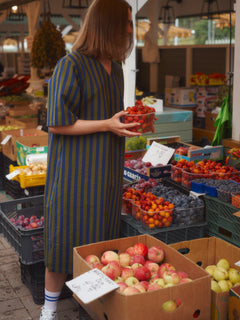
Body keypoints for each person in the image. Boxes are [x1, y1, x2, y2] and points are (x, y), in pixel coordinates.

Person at [40, 0, 140, 319]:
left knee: (101, 241)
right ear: (106, 24)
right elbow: (56, 122)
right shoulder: (71, 65)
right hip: (74, 173)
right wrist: (108, 124)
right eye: (125, 22)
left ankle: (92, 307)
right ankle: (49, 311)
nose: (129, 29)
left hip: (108, 170)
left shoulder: (117, 67)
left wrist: (127, 122)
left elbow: (112, 116)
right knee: (62, 241)